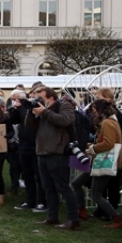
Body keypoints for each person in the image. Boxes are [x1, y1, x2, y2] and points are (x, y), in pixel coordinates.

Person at [28, 86, 80, 230]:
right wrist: (30, 111)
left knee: (63, 187)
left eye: (41, 98)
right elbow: (28, 126)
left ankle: (73, 219)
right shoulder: (41, 110)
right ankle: (52, 216)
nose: (38, 100)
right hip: (42, 152)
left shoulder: (64, 106)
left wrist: (44, 112)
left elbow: (65, 120)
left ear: (51, 98)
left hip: (58, 152)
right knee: (48, 187)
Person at [72, 99, 122, 228]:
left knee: (96, 195)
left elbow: (108, 143)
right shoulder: (111, 121)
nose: (93, 113)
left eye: (95, 111)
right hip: (101, 161)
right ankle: (82, 210)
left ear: (101, 110)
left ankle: (118, 220)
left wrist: (92, 148)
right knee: (76, 184)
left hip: (104, 162)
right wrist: (92, 145)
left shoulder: (107, 123)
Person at [9, 89, 42, 211]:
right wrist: (15, 109)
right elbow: (13, 120)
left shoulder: (35, 107)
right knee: (27, 175)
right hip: (23, 145)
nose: (16, 101)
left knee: (39, 175)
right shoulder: (20, 108)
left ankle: (42, 201)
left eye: (18, 99)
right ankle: (30, 200)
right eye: (13, 99)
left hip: (35, 145)